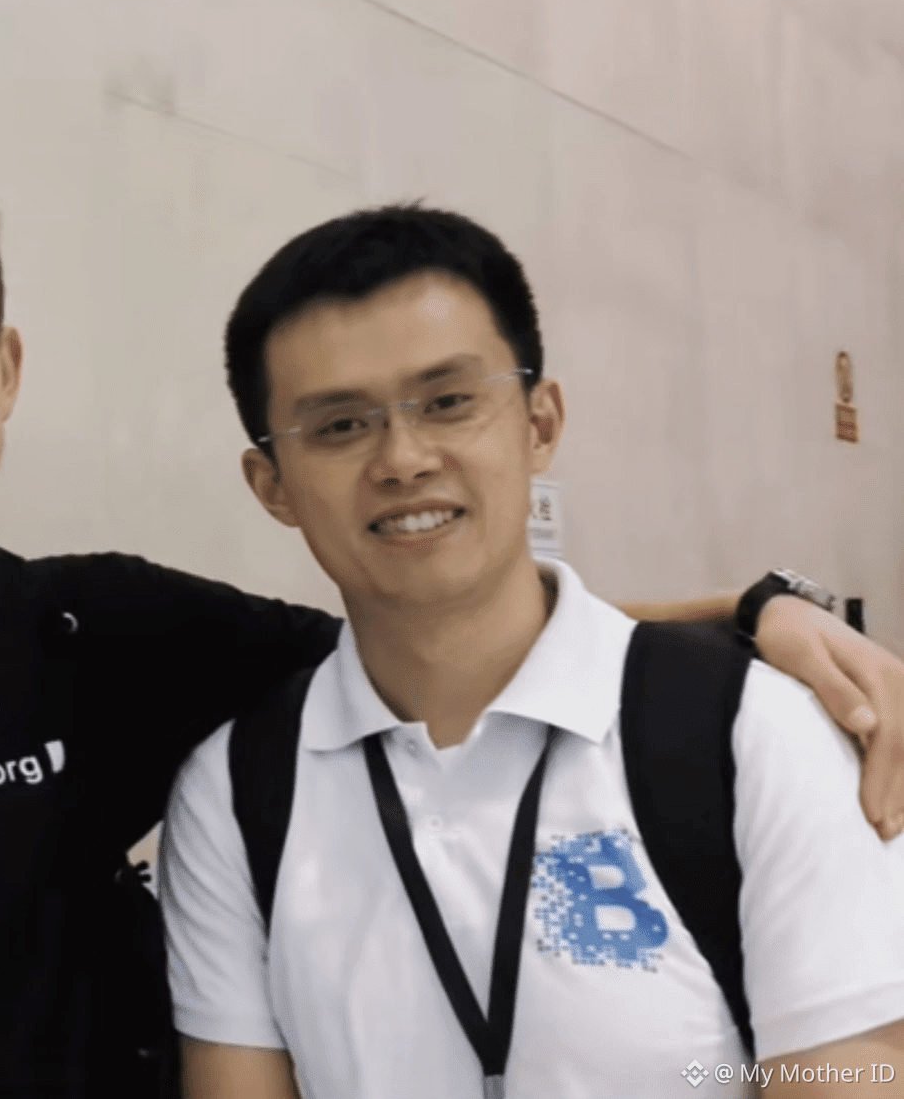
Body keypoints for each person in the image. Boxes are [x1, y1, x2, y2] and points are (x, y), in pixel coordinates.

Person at [0, 139, 899, 1097]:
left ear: (6, 367)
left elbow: (439, 626)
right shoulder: (224, 790)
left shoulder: (103, 627)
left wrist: (751, 612)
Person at [158, 204, 904, 1098]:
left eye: (447, 402)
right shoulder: (233, 794)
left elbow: (845, 1073)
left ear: (539, 422)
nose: (402, 460)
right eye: (339, 426)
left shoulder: (754, 736)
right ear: (271, 484)